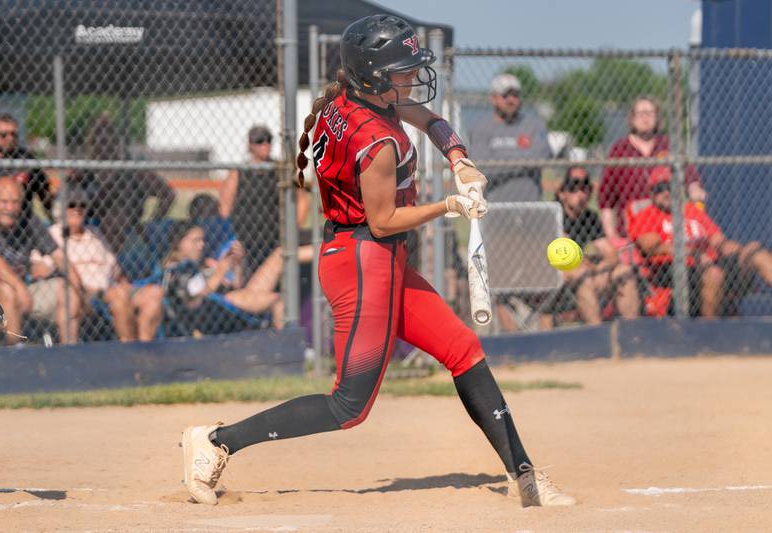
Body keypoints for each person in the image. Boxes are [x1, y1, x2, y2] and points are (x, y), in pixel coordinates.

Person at [180, 14, 574, 508]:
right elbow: (385, 220)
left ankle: (526, 477)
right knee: (349, 405)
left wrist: (459, 159)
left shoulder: (356, 100)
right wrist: (450, 205)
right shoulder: (375, 138)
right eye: (402, 70)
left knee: (462, 348)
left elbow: (432, 120)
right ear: (373, 75)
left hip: (375, 258)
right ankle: (216, 442)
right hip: (363, 262)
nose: (411, 78)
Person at [629, 166, 772, 317]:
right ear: (652, 193)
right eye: (660, 189)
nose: (666, 192)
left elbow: (716, 238)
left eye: (670, 186)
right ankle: (709, 332)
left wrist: (735, 250)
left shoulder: (690, 210)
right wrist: (693, 253)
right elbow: (652, 248)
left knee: (754, 250)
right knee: (713, 274)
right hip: (678, 273)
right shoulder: (647, 215)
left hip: (711, 262)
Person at [31, 188, 163, 342]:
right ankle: (130, 351)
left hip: (111, 288)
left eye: (82, 205)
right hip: (85, 294)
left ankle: (144, 347)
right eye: (72, 205)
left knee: (155, 293)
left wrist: (125, 285)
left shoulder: (94, 233)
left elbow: (115, 270)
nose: (78, 209)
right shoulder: (53, 235)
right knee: (118, 296)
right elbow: (38, 270)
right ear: (60, 208)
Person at [0, 176, 82, 344]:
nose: (10, 208)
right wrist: (18, 286)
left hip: (26, 288)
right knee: (7, 290)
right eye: (4, 202)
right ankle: (14, 353)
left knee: (68, 292)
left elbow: (58, 256)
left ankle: (68, 354)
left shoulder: (28, 219)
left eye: (15, 202)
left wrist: (79, 290)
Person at [538, 166, 639, 329]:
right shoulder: (553, 214)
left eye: (584, 188)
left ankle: (632, 334)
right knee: (582, 273)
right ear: (562, 193)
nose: (580, 194)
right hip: (551, 277)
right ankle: (598, 336)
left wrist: (600, 271)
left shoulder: (589, 217)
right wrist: (592, 268)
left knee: (623, 272)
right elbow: (566, 257)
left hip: (585, 273)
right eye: (572, 188)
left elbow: (611, 253)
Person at [599, 95, 707, 246]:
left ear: (657, 118)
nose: (645, 118)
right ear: (632, 118)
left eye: (650, 113)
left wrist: (694, 188)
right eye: (640, 113)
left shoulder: (667, 144)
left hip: (666, 226)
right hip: (631, 226)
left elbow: (690, 175)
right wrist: (612, 236)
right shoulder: (620, 149)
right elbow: (606, 200)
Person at [68, 114, 175, 255]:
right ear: (91, 141)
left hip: (128, 235)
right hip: (91, 235)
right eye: (97, 136)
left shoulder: (131, 168)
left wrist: (150, 225)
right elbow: (63, 203)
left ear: (116, 140)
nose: (102, 141)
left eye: (108, 135)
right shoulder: (85, 171)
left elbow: (167, 194)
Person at [219, 125, 310, 278]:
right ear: (250, 145)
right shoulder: (239, 172)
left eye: (268, 140)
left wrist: (293, 227)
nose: (265, 144)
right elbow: (225, 207)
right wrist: (231, 239)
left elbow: (302, 200)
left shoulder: (279, 170)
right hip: (245, 239)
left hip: (274, 238)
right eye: (259, 141)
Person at [161, 221, 285, 333]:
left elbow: (235, 286)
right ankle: (283, 342)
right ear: (178, 243)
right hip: (209, 316)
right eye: (195, 241)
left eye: (202, 240)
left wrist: (236, 264)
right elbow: (195, 296)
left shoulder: (198, 265)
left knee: (276, 297)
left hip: (222, 311)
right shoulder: (174, 268)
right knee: (276, 299)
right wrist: (221, 270)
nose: (201, 245)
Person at [465, 73, 552, 202]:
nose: (511, 100)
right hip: (494, 205)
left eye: (515, 95)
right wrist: (525, 161)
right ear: (493, 98)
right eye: (505, 95)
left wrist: (499, 161)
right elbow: (482, 166)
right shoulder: (480, 128)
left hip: (531, 205)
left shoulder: (534, 125)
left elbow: (543, 156)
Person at [0, 113, 54, 225]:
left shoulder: (26, 159)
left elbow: (44, 193)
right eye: (3, 135)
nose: (10, 138)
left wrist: (52, 219)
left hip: (23, 224)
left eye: (14, 134)